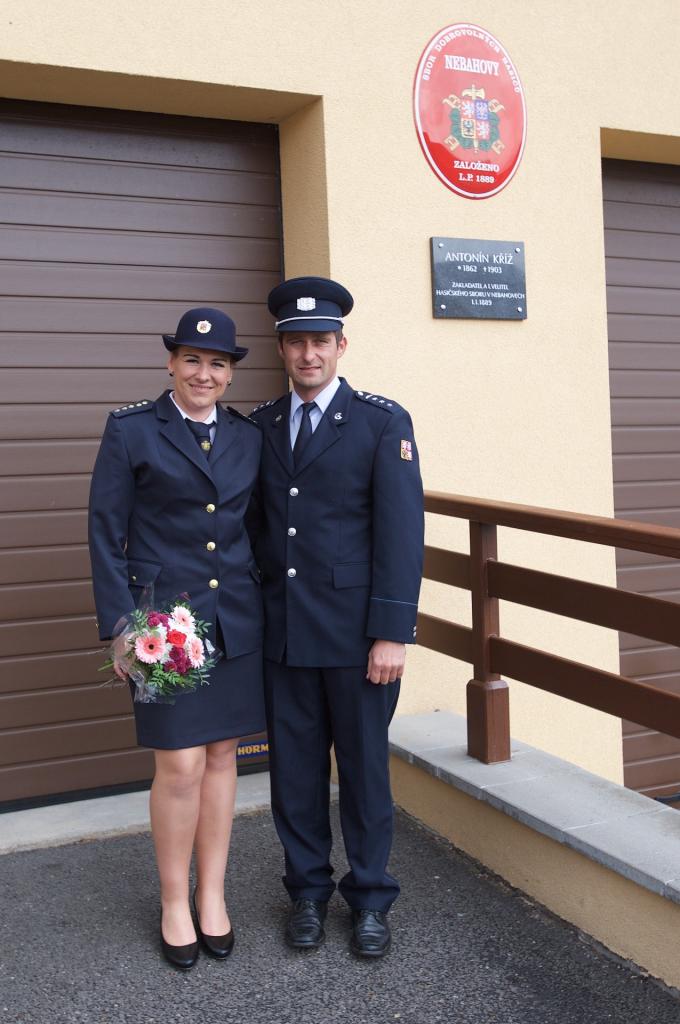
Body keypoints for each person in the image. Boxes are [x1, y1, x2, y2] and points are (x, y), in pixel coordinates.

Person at [249, 276, 424, 958]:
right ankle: (308, 893)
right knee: (294, 774)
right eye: (296, 343)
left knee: (364, 772)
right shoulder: (263, 424)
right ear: (282, 349)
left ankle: (371, 898)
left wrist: (392, 633)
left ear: (341, 345)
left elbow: (401, 534)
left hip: (357, 639)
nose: (309, 354)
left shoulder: (382, 422)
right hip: (286, 633)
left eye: (320, 341)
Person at [88, 307, 264, 970]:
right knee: (180, 765)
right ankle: (173, 902)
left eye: (217, 363)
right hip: (163, 626)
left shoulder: (247, 437)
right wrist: (121, 627)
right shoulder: (132, 429)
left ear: (230, 373)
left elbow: (259, 528)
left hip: (236, 617)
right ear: (171, 363)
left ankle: (211, 894)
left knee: (222, 757)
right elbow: (105, 531)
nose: (204, 373)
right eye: (192, 359)